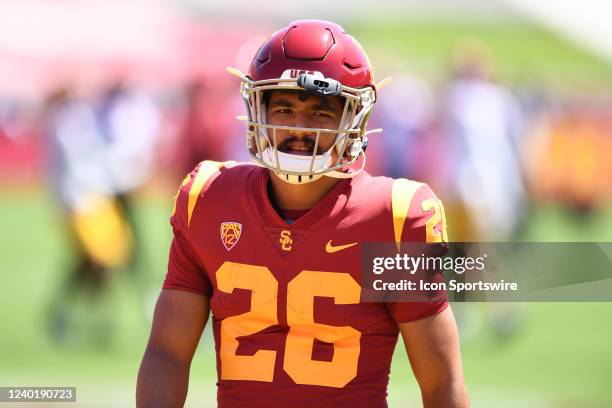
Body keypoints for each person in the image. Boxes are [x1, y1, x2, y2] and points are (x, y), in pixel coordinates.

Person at [137, 20, 468, 408]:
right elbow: (167, 352)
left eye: (321, 113)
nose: (299, 127)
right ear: (255, 108)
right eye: (282, 108)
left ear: (354, 119)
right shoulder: (208, 198)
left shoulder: (395, 218)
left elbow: (440, 381)